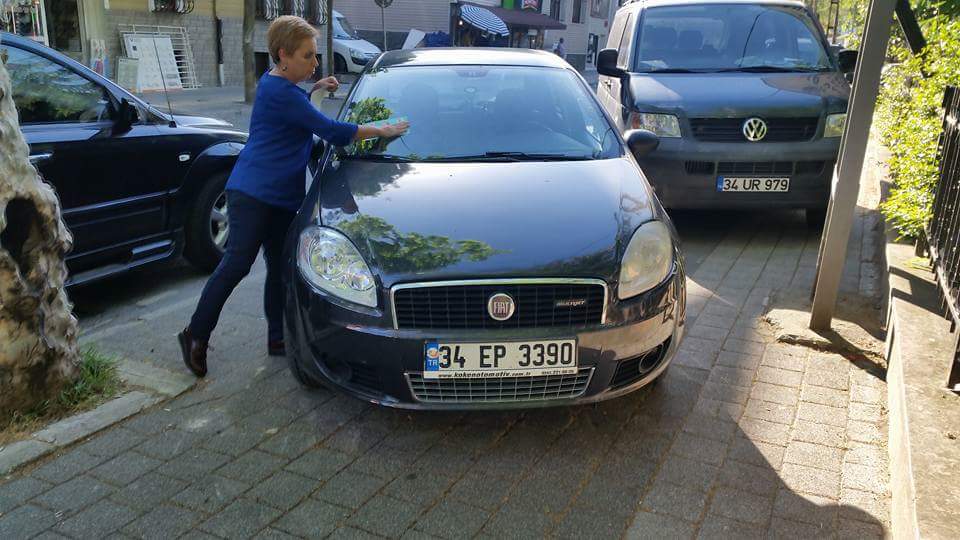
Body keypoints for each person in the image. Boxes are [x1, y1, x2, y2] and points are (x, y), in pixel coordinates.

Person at [177, 15, 408, 377]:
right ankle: (195, 334)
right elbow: (331, 130)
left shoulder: (283, 86)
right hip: (253, 193)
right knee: (237, 264)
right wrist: (382, 129)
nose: (315, 63)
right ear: (283, 55)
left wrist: (315, 90)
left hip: (282, 197)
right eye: (307, 56)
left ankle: (277, 338)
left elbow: (300, 117)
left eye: (315, 55)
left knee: (279, 269)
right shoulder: (279, 92)